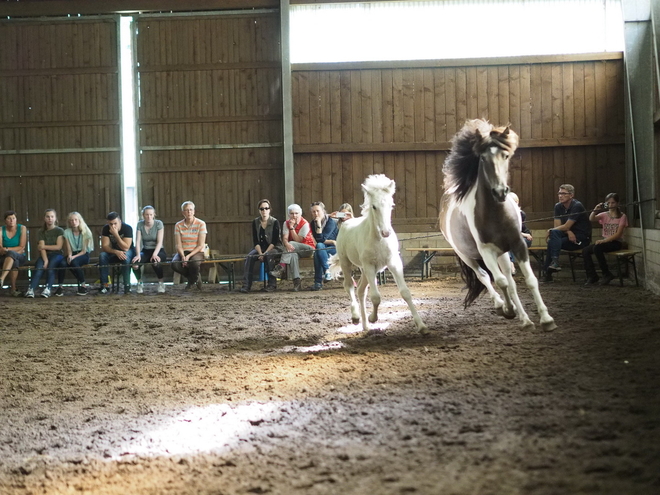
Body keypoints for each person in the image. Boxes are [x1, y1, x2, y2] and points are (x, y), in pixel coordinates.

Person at [543, 184, 591, 282]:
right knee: (554, 237)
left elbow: (565, 226)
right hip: (566, 236)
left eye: (564, 193)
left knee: (553, 240)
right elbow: (558, 227)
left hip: (580, 238)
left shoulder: (577, 206)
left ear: (571, 195)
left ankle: (547, 273)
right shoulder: (558, 206)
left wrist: (562, 230)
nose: (560, 196)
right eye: (559, 193)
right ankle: (555, 262)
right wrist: (568, 232)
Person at [583, 193, 628, 286]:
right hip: (605, 241)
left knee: (597, 248)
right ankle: (592, 275)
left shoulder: (622, 216)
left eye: (613, 203)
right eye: (609, 203)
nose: (611, 205)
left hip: (616, 242)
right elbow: (591, 219)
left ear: (617, 203)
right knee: (586, 250)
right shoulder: (604, 215)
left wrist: (604, 241)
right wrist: (595, 210)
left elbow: (618, 234)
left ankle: (606, 273)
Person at [270, 203, 315, 292]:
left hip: (308, 248)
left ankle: (281, 266)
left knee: (291, 244)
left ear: (300, 214)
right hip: (294, 249)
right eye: (291, 213)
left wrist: (291, 228)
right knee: (293, 254)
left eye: (296, 213)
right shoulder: (285, 223)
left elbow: (298, 240)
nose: (294, 215)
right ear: (288, 214)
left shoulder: (305, 223)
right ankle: (297, 283)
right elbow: (285, 238)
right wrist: (286, 244)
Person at [240, 199, 282, 293]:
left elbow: (275, 241)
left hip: (274, 247)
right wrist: (260, 253)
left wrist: (264, 254)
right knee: (250, 257)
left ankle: (272, 284)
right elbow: (256, 241)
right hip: (260, 248)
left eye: (266, 208)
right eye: (262, 209)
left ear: (270, 209)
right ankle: (246, 285)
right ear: (259, 210)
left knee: (269, 255)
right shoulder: (255, 222)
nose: (264, 211)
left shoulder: (275, 222)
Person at [25, 209, 65, 298]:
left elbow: (58, 247)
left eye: (52, 216)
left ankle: (48, 288)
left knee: (51, 268)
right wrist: (45, 260)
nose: (50, 218)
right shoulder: (41, 231)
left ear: (55, 218)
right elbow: (41, 248)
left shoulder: (59, 231)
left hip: (57, 254)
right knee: (39, 268)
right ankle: (31, 289)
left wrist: (43, 247)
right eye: (47, 216)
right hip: (45, 255)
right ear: (44, 218)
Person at [56, 212, 95, 296]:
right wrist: (70, 255)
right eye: (71, 220)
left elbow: (84, 251)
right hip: (73, 253)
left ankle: (83, 286)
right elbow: (68, 248)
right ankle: (60, 287)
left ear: (79, 220)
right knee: (62, 263)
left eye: (75, 219)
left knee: (74, 262)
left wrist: (73, 257)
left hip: (83, 254)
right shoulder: (67, 232)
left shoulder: (86, 232)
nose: (73, 222)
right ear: (69, 222)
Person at [172, 201, 207, 291]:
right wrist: (183, 256)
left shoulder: (201, 224)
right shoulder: (178, 225)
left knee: (194, 263)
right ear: (183, 212)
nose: (189, 212)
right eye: (186, 210)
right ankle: (195, 277)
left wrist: (188, 256)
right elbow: (178, 244)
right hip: (183, 250)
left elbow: (200, 245)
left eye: (191, 210)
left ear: (194, 211)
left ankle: (191, 282)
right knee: (175, 264)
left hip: (197, 251)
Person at [132, 205, 167, 294]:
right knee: (135, 264)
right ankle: (140, 282)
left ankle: (161, 282)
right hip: (146, 250)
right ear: (143, 215)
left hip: (158, 250)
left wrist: (155, 254)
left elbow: (159, 242)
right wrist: (138, 255)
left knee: (155, 262)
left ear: (154, 215)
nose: (149, 217)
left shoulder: (159, 223)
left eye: (151, 214)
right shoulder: (140, 224)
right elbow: (137, 241)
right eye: (147, 214)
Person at [99, 211, 135, 294]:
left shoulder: (127, 228)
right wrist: (115, 252)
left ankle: (127, 285)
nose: (113, 226)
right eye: (110, 224)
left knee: (125, 257)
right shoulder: (106, 229)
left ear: (120, 221)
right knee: (102, 256)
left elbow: (125, 247)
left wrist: (116, 235)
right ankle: (104, 285)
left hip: (128, 251)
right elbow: (105, 247)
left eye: (115, 223)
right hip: (114, 252)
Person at [309, 201, 338, 291]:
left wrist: (318, 225)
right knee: (319, 249)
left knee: (319, 248)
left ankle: (318, 282)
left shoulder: (330, 222)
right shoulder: (312, 223)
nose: (316, 213)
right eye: (313, 212)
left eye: (318, 211)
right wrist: (331, 241)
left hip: (334, 249)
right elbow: (319, 240)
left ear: (323, 211)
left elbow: (322, 238)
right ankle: (327, 271)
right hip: (322, 248)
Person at [0, 211, 27, 296]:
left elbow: (22, 247)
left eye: (13, 218)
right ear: (5, 221)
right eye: (9, 218)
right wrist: (13, 250)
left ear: (16, 220)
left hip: (21, 256)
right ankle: (13, 289)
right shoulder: (1, 230)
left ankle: (1, 278)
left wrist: (7, 249)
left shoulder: (22, 228)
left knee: (12, 254)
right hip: (4, 257)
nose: (12, 220)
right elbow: (0, 249)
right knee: (13, 260)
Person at [508, 192, 532, 275]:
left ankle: (511, 265)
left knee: (511, 243)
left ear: (517, 202)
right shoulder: (504, 215)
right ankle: (511, 265)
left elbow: (514, 231)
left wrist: (524, 235)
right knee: (508, 244)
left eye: (515, 201)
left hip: (525, 238)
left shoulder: (521, 213)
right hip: (515, 238)